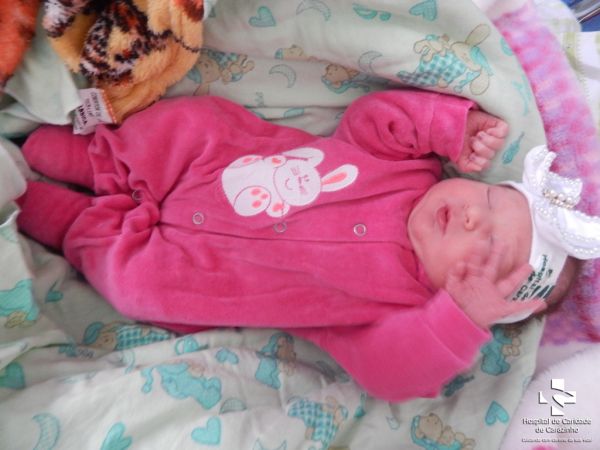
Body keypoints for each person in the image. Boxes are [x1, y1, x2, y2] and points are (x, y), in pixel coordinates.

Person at [15, 89, 598, 402]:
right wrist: (449, 127)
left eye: (488, 248)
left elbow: (392, 374)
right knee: (190, 123)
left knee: (140, 286)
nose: (474, 218)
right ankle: (94, 162)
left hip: (200, 267)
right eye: (492, 200)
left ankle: (68, 222)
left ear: (463, 295)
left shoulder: (398, 312)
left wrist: (456, 321)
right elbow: (373, 118)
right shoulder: (410, 171)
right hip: (210, 165)